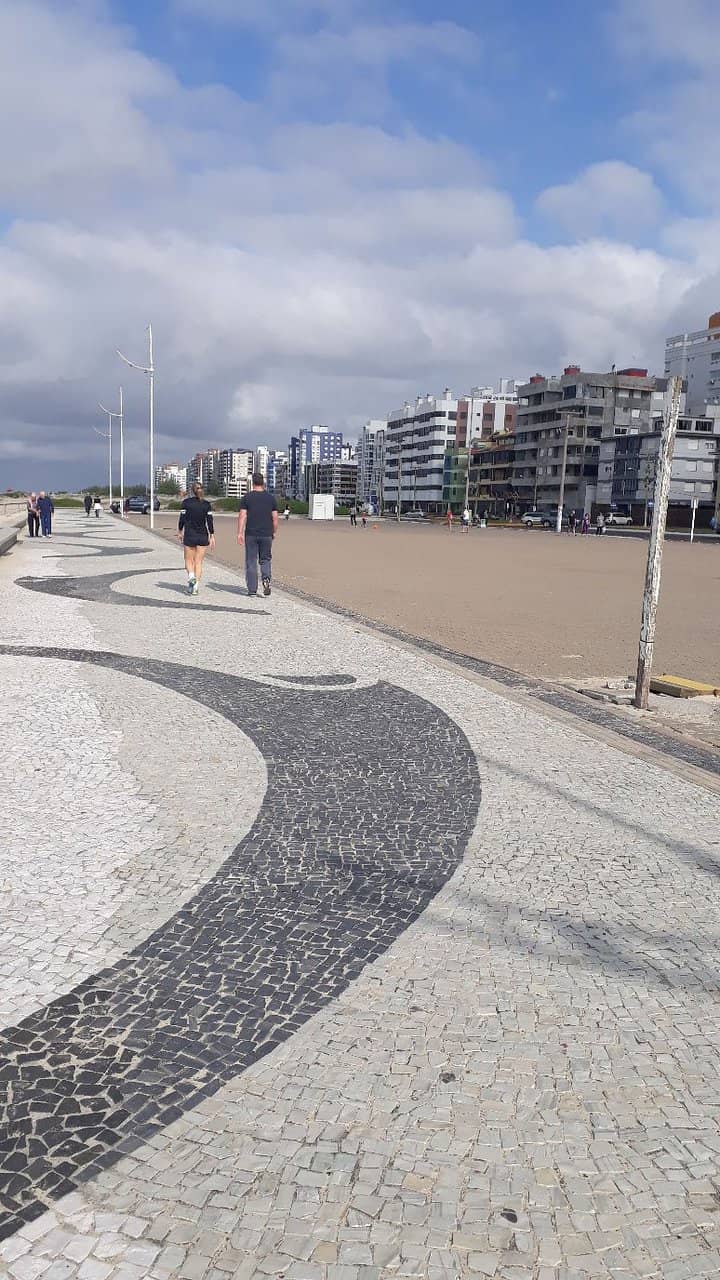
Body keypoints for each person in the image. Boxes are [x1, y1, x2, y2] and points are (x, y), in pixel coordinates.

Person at [237, 472, 278, 597]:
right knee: (265, 559)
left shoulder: (247, 497)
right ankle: (266, 579)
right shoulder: (271, 498)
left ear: (253, 483)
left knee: (251, 560)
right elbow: (275, 518)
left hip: (251, 533)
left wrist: (239, 532)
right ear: (263, 483)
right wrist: (274, 531)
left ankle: (252, 589)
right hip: (266, 533)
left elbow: (242, 515)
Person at [178, 482, 215, 595]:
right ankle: (195, 587)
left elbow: (182, 518)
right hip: (203, 535)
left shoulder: (186, 503)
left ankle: (191, 577)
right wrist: (212, 535)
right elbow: (210, 520)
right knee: (198, 562)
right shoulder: (206, 504)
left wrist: (180, 530)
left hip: (190, 534)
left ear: (192, 491)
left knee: (188, 560)